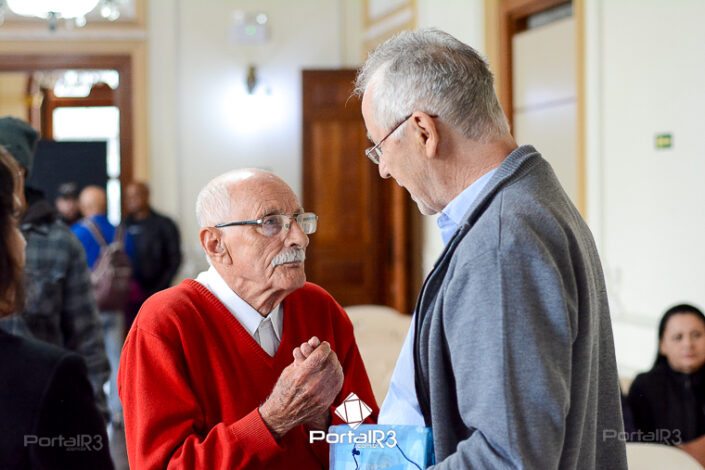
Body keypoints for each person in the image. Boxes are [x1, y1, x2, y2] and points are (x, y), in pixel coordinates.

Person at [355, 29, 627, 468]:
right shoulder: (528, 198)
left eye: (380, 146)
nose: (383, 168)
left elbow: (508, 458)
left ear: (423, 130)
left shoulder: (501, 242)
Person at [118, 169, 378, 469]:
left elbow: (366, 427)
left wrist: (323, 417)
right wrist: (274, 419)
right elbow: (165, 465)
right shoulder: (165, 323)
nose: (300, 238)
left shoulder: (319, 308)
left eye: (299, 220)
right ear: (215, 244)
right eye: (270, 223)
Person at [0, 145, 114, 469]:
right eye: (11, 220)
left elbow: (87, 336)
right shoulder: (50, 376)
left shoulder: (65, 240)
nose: (22, 240)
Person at [71, 185, 135, 428]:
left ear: (84, 206)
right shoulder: (121, 232)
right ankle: (118, 411)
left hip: (88, 304)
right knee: (116, 355)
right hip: (116, 304)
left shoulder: (78, 232)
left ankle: (90, 408)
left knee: (87, 355)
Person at [628, 303, 705, 445]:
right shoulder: (644, 385)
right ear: (662, 345)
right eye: (678, 337)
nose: (688, 344)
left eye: (696, 335)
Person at [124, 181, 182, 328]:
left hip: (158, 291)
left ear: (146, 195)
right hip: (130, 295)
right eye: (128, 197)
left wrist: (160, 287)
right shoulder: (123, 226)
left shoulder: (165, 224)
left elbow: (175, 259)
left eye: (136, 195)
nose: (132, 200)